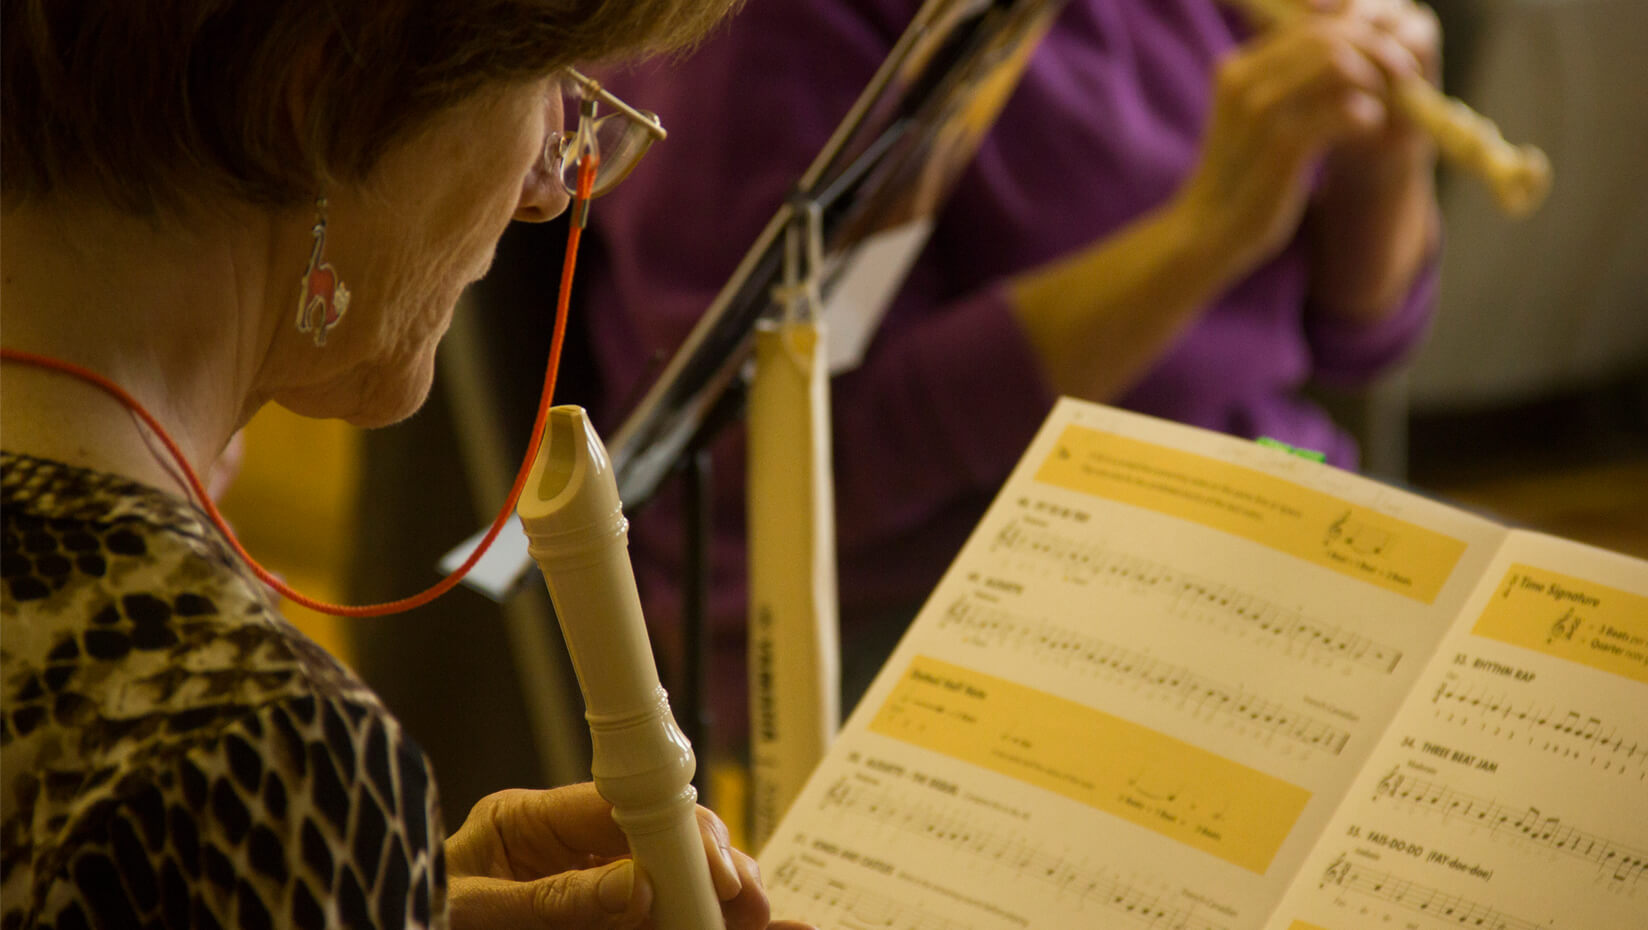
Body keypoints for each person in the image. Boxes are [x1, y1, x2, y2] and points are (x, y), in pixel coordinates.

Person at [0, 2, 817, 928]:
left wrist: (367, 898)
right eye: (542, 86)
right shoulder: (249, 749)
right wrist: (315, 841)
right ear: (322, 103)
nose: (548, 188)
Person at [579, 0, 1444, 757]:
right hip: (927, 594)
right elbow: (782, 449)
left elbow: (1357, 337)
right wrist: (1200, 241)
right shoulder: (751, 35)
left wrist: (1385, 161)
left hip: (1251, 498)